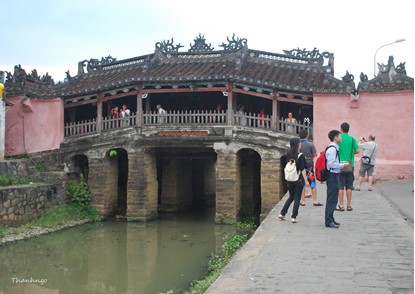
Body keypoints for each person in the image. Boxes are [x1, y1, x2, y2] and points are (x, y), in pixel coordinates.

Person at [279, 137, 309, 223]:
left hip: (290, 179)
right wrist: (306, 180)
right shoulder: (301, 156)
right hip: (298, 179)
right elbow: (302, 169)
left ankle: (282, 213)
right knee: (297, 198)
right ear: (297, 145)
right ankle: (293, 216)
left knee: (291, 197)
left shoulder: (288, 154)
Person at [325, 130, 349, 228]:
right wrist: (342, 165)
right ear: (335, 137)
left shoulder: (335, 148)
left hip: (334, 174)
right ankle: (328, 220)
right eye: (339, 136)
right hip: (332, 175)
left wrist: (341, 163)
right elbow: (330, 164)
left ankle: (331, 218)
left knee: (334, 198)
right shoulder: (332, 149)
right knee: (332, 198)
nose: (341, 137)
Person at [336, 122, 359, 212]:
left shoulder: (339, 139)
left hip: (340, 164)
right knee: (349, 186)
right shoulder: (352, 139)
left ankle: (341, 205)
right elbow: (357, 150)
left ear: (341, 129)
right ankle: (349, 205)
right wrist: (351, 153)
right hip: (350, 165)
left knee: (340, 186)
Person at [298, 129, 323, 207]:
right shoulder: (310, 144)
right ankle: (315, 201)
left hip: (301, 166)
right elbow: (315, 154)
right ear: (307, 136)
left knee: (301, 183)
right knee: (312, 182)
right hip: (309, 166)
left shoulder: (298, 144)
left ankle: (303, 201)